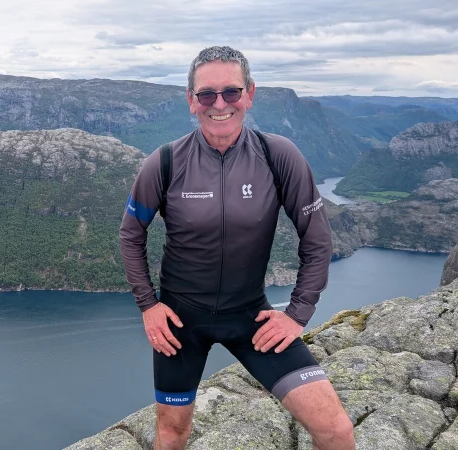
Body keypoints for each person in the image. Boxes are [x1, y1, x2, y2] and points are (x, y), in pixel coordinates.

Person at [118, 46, 355, 450]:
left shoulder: (277, 155)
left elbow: (316, 240)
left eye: (231, 92)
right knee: (172, 435)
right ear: (191, 101)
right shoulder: (165, 162)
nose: (220, 104)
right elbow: (130, 234)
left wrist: (297, 314)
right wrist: (148, 306)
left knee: (336, 431)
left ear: (250, 93)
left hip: (252, 320)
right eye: (206, 94)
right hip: (180, 326)